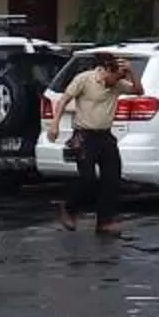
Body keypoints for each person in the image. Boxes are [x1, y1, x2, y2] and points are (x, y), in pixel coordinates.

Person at [48, 51, 142, 233]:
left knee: (112, 177)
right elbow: (63, 100)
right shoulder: (84, 80)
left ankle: (105, 221)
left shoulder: (118, 84)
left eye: (119, 79)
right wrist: (54, 124)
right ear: (106, 70)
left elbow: (138, 91)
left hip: (105, 136)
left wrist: (131, 73)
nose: (116, 83)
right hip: (84, 136)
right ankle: (69, 208)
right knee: (87, 178)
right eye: (115, 78)